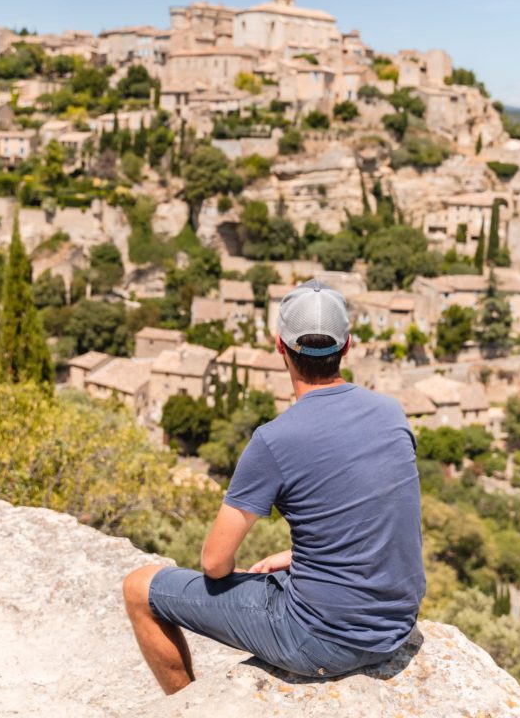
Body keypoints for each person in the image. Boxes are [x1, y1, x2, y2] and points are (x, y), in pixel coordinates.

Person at [123, 279, 426, 693]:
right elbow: (382, 517)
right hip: (393, 628)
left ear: (280, 347)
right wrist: (303, 556)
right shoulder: (392, 413)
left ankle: (184, 707)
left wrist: (250, 586)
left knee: (139, 587)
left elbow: (215, 562)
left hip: (321, 643)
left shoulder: (275, 439)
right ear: (348, 345)